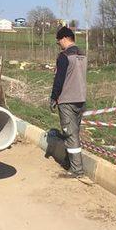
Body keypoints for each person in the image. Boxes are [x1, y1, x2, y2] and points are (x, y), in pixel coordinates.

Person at [50, 26, 88, 179]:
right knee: (74, 133)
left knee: (70, 134)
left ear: (65, 38)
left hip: (67, 100)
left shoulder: (64, 56)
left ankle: (76, 170)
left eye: (59, 41)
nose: (59, 44)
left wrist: (53, 98)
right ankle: (71, 162)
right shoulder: (82, 55)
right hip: (81, 99)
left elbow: (59, 80)